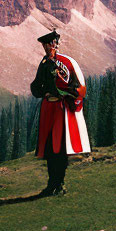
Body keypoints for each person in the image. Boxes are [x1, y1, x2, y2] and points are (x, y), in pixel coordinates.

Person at [29, 29, 90, 197]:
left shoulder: (67, 62)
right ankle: (52, 184)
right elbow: (36, 86)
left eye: (49, 44)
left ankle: (59, 184)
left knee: (60, 147)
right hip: (48, 109)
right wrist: (42, 92)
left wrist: (66, 95)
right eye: (45, 45)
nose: (47, 47)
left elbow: (80, 89)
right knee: (49, 148)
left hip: (61, 110)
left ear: (55, 44)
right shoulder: (44, 64)